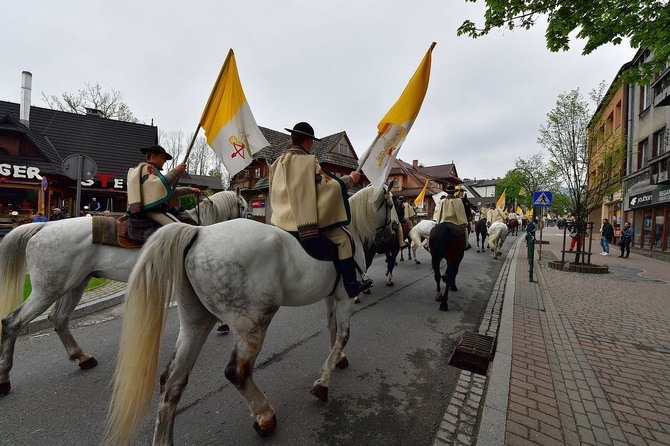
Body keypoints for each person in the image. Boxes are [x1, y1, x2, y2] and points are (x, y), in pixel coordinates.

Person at [269, 122, 371, 299]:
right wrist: (351, 180)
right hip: (299, 220)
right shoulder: (308, 162)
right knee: (345, 239)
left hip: (278, 220)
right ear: (308, 141)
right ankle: (351, 286)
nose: (313, 145)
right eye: (312, 141)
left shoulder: (278, 162)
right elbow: (327, 187)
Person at [126, 145, 201, 226]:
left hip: (152, 210)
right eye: (162, 158)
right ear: (153, 157)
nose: (164, 161)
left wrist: (189, 190)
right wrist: (176, 171)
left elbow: (165, 191)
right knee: (179, 229)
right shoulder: (146, 169)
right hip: (150, 211)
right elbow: (161, 184)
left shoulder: (152, 173)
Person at [434, 185, 471, 250]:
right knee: (465, 230)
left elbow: (439, 213)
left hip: (443, 221)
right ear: (454, 192)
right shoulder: (459, 201)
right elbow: (461, 213)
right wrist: (464, 222)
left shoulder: (442, 201)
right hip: (455, 222)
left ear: (447, 192)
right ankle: (466, 244)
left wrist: (437, 222)